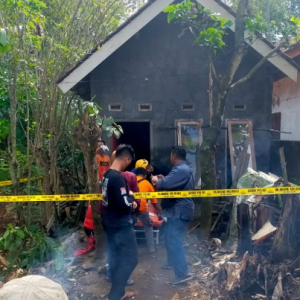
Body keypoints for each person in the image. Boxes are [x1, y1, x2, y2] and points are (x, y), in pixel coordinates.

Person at [152, 146, 195, 285]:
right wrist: (164, 180)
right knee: (170, 237)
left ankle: (182, 273)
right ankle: (173, 262)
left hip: (180, 210)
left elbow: (166, 183)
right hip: (176, 210)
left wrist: (156, 180)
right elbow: (172, 183)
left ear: (174, 155)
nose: (170, 158)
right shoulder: (181, 169)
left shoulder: (181, 169)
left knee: (174, 239)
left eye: (171, 155)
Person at [102, 144, 138, 300]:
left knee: (116, 257)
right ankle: (116, 294)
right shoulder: (118, 178)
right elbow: (124, 204)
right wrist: (133, 202)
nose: (128, 165)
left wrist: (126, 196)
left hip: (109, 221)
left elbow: (113, 198)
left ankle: (119, 292)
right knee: (131, 259)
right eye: (129, 162)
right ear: (127, 159)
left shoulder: (106, 175)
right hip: (120, 224)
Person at [135, 167, 162, 253]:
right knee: (149, 226)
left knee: (128, 227)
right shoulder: (147, 183)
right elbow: (154, 202)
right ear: (145, 175)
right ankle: (152, 249)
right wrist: (161, 213)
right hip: (142, 209)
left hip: (131, 209)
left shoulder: (130, 181)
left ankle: (129, 249)